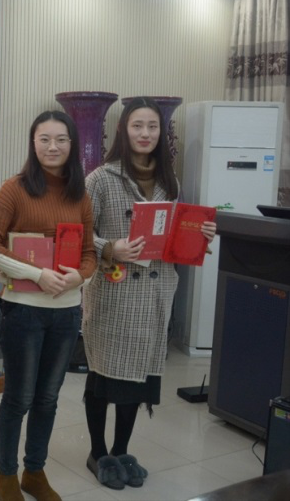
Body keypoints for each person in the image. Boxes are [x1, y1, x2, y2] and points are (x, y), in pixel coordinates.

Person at [80, 97, 216, 491]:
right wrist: (111, 247)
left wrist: (199, 236)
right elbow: (79, 234)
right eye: (137, 126)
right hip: (115, 292)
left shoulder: (170, 181)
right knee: (104, 375)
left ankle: (121, 450)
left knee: (137, 379)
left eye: (152, 127)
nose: (145, 134)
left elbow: (174, 240)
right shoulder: (100, 178)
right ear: (123, 130)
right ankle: (97, 452)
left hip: (155, 292)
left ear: (161, 133)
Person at [0, 110, 96, 501]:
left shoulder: (80, 195)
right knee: (19, 398)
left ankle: (35, 472)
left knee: (48, 398)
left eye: (61, 139)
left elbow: (90, 253)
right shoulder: (15, 188)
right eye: (44, 139)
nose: (52, 146)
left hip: (66, 312)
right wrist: (37, 273)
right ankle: (6, 476)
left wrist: (80, 277)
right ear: (33, 143)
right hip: (23, 310)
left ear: (72, 145)